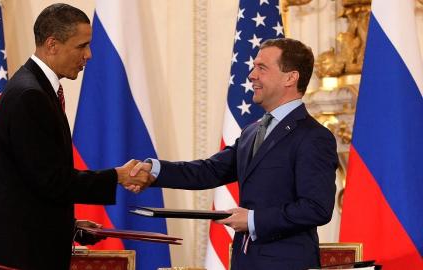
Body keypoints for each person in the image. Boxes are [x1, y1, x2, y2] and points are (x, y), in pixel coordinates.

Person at [130, 38, 338, 269]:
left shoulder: (313, 136)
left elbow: (316, 208)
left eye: (261, 67)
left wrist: (252, 220)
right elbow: (208, 171)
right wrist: (155, 170)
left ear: (291, 77)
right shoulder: (252, 131)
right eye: (254, 66)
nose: (251, 75)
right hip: (245, 261)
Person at [0, 4, 151, 270]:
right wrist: (117, 176)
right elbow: (51, 180)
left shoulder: (37, 89)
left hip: (26, 247)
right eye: (82, 46)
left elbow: (30, 184)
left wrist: (71, 226)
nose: (89, 55)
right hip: (16, 256)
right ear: (52, 44)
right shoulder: (29, 96)